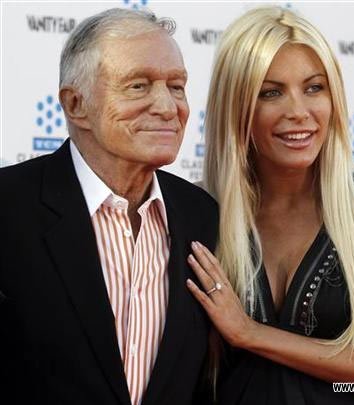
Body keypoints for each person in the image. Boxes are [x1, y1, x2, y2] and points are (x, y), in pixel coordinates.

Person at [186, 6, 354, 404]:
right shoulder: (197, 209)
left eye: (314, 88)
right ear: (237, 106)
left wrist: (250, 333)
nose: (299, 112)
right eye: (270, 92)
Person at [0, 8, 218, 405]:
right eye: (138, 86)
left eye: (177, 86)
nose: (168, 107)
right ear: (75, 104)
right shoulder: (8, 208)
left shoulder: (203, 217)